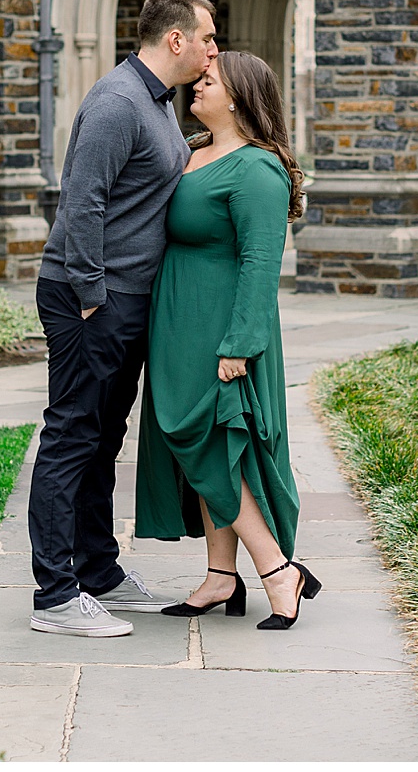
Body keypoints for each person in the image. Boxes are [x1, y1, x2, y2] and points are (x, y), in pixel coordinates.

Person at [28, 0, 219, 637]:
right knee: (72, 438)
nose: (213, 49)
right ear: (176, 40)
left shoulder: (157, 102)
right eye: (207, 38)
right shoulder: (116, 101)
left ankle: (98, 570)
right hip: (91, 298)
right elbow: (81, 200)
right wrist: (88, 295)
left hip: (127, 298)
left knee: (104, 441)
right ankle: (55, 594)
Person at [135, 50, 320, 630]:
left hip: (221, 329)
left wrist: (239, 345)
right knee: (200, 444)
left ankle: (277, 569)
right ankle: (220, 576)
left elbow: (262, 265)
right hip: (178, 324)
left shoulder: (256, 170)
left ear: (238, 96)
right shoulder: (195, 153)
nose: (197, 85)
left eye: (208, 81)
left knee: (213, 443)